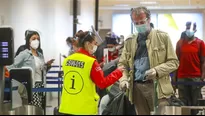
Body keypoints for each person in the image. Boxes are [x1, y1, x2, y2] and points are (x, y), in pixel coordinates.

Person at [118, 6, 179, 115]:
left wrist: (157, 70)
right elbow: (122, 64)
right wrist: (123, 79)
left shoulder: (163, 37)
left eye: (142, 22)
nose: (139, 25)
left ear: (149, 20)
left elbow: (174, 62)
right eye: (136, 23)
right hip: (137, 89)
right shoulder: (130, 41)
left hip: (158, 88)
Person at [59, 30, 125, 115]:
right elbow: (102, 83)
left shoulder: (67, 60)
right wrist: (118, 72)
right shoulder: (91, 62)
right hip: (84, 108)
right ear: (87, 44)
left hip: (67, 106)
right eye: (95, 43)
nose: (96, 45)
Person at [5, 31, 54, 108]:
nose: (36, 41)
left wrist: (47, 65)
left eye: (38, 39)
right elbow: (11, 65)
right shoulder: (24, 54)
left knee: (40, 109)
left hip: (41, 85)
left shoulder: (40, 55)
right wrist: (7, 73)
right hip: (30, 86)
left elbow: (41, 71)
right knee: (33, 109)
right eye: (33, 39)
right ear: (29, 41)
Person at [175, 21, 205, 115]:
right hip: (182, 77)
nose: (189, 30)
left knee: (195, 102)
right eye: (188, 28)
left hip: (196, 76)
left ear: (195, 30)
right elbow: (176, 61)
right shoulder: (180, 43)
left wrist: (203, 76)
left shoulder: (200, 43)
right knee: (183, 102)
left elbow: (203, 61)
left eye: (192, 28)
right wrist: (174, 78)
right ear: (185, 28)